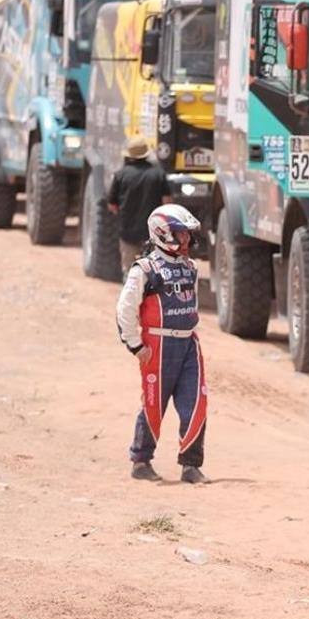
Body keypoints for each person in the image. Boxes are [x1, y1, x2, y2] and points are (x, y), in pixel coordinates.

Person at [116, 204, 209, 484]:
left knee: (196, 403)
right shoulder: (145, 269)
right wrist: (135, 345)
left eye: (187, 236)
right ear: (162, 234)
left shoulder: (190, 268)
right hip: (157, 346)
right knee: (154, 405)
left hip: (188, 345)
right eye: (180, 235)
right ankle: (141, 460)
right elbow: (125, 309)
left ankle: (191, 465)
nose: (186, 241)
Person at [107, 135, 172, 269]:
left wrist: (120, 214)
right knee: (155, 270)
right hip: (153, 233)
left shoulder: (120, 175)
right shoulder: (158, 174)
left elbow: (112, 206)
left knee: (129, 271)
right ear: (146, 154)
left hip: (127, 232)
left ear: (129, 155)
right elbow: (167, 204)